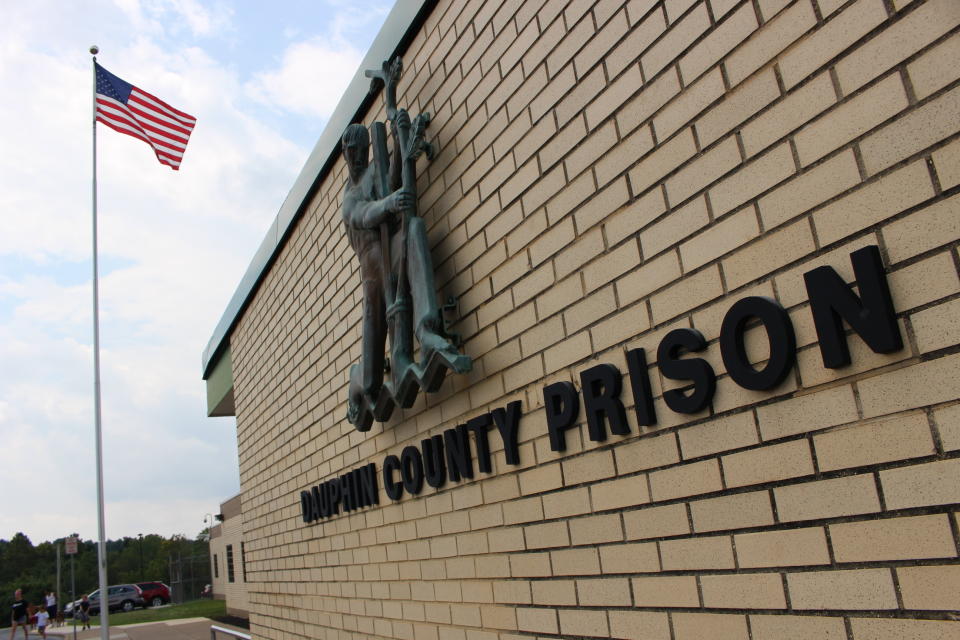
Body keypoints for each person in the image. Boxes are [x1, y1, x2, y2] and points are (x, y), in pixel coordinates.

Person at [341, 62, 469, 426]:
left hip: (393, 252)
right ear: (343, 154)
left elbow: (395, 173)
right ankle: (360, 378)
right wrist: (388, 203)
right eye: (352, 152)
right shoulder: (349, 196)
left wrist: (393, 103)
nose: (358, 157)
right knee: (369, 380)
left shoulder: (372, 172)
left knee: (413, 228)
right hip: (373, 275)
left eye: (362, 150)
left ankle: (426, 330)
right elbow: (364, 215)